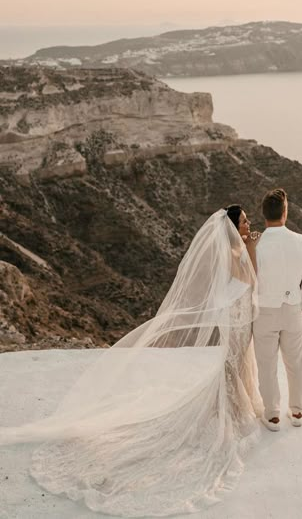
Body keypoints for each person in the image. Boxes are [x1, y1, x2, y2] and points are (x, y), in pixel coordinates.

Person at [0, 206, 263, 517]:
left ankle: (232, 405)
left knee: (237, 363)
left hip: (239, 312)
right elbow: (250, 278)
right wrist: (251, 248)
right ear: (234, 226)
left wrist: (248, 248)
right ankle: (232, 409)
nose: (249, 224)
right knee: (232, 363)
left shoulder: (234, 249)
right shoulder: (234, 252)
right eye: (245, 220)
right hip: (235, 316)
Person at [253, 188, 302, 431]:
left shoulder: (256, 244)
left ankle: (272, 416)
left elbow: (251, 280)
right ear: (285, 212)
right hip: (292, 309)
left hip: (264, 312)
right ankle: (298, 411)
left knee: (266, 365)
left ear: (264, 214)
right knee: (295, 362)